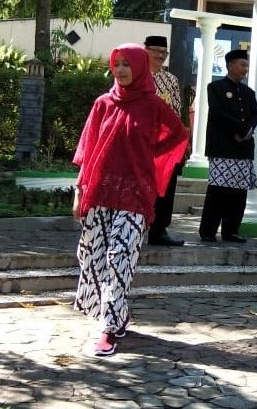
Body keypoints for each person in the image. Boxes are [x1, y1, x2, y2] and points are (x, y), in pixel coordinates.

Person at [72, 44, 188, 356]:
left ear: (139, 67)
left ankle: (109, 328)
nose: (121, 70)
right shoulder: (103, 103)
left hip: (135, 194)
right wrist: (79, 191)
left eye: (127, 64)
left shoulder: (153, 105)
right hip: (99, 192)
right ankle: (115, 315)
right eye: (117, 64)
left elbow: (178, 134)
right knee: (95, 258)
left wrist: (151, 154)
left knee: (119, 257)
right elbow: (87, 150)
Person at [198, 49, 257, 244]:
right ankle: (208, 231)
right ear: (231, 65)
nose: (245, 69)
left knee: (238, 194)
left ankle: (231, 231)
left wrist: (247, 131)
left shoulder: (249, 92)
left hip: (243, 148)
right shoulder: (215, 87)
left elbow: (255, 114)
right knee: (218, 192)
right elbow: (218, 114)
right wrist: (239, 130)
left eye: (247, 65)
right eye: (243, 65)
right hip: (223, 146)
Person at [143, 35, 186, 247]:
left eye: (164, 52)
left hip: (164, 143)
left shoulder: (171, 80)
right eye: (156, 51)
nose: (160, 56)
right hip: (140, 140)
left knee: (166, 187)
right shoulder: (136, 74)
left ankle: (159, 230)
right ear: (145, 51)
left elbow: (176, 111)